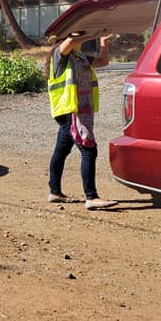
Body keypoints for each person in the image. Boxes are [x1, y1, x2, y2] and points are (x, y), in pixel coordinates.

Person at [46, 32, 118, 210]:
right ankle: (91, 197)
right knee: (89, 149)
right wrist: (93, 33)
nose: (80, 38)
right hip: (70, 110)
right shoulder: (59, 55)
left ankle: (55, 192)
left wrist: (103, 41)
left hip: (77, 110)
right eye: (78, 34)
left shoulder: (80, 57)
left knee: (61, 151)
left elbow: (103, 61)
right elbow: (70, 40)